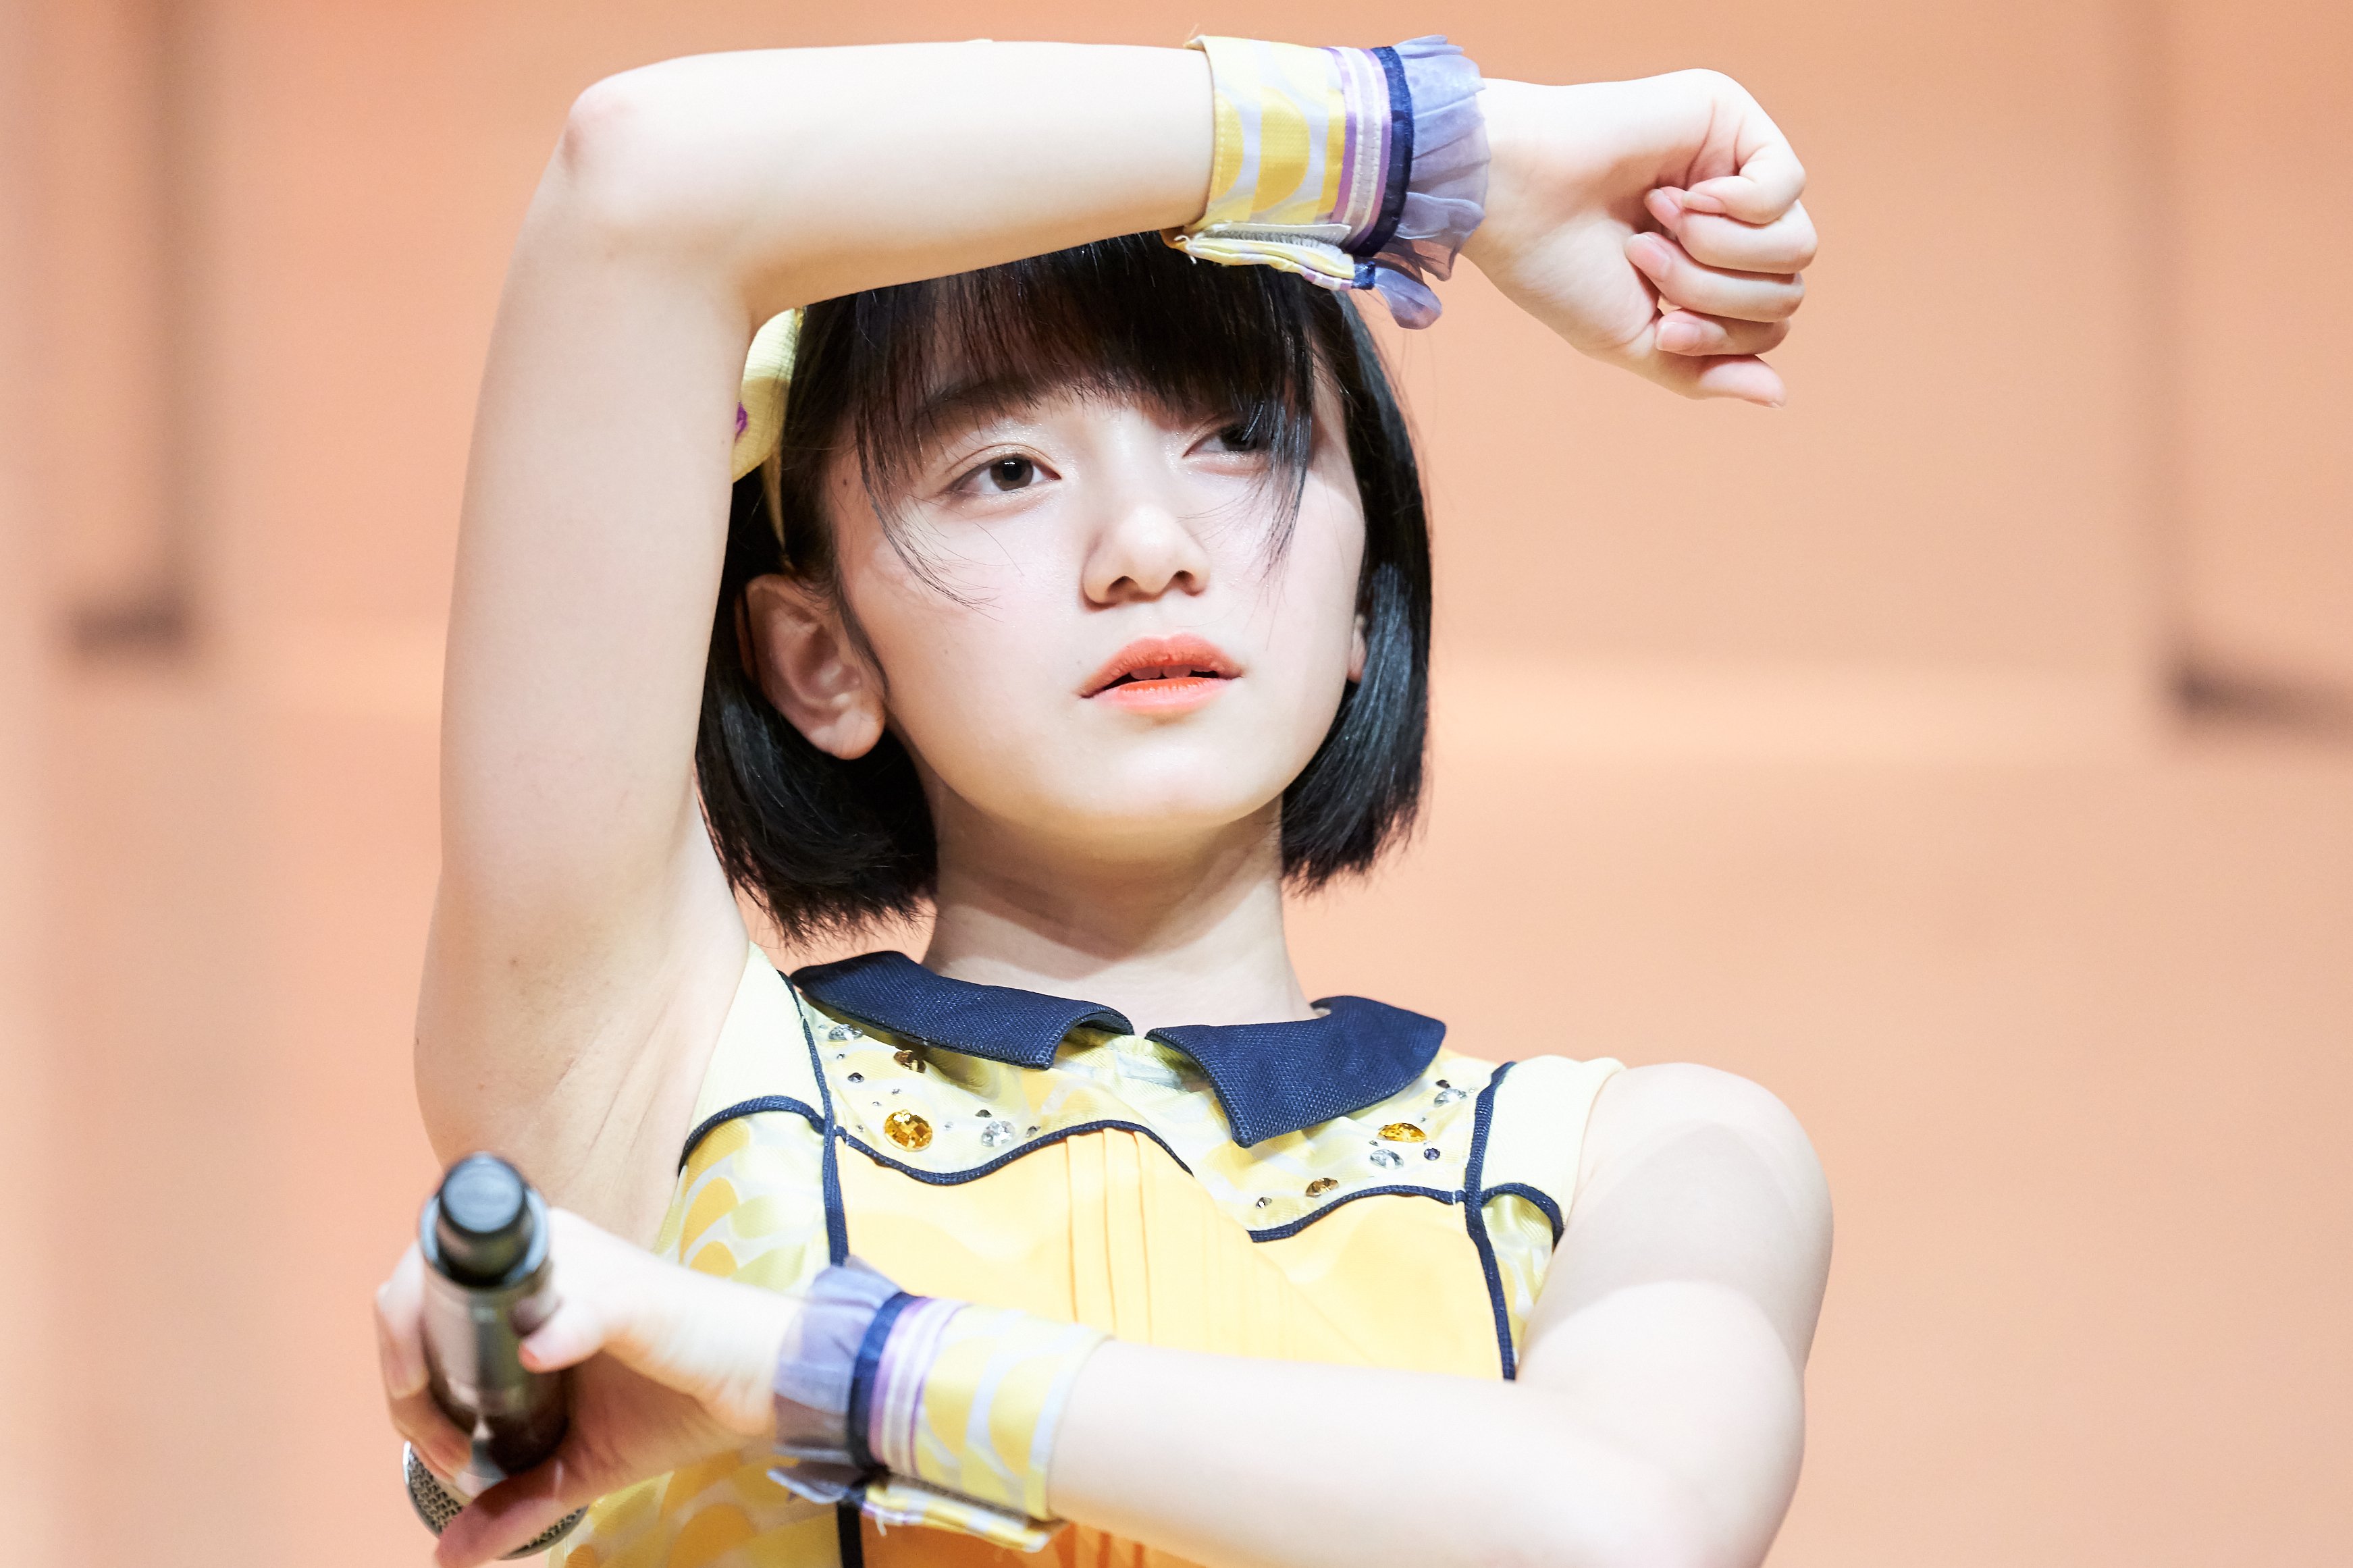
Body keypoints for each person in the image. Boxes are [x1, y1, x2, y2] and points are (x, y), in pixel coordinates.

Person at [373, 31, 1829, 1568]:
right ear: (819, 657)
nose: (1147, 545)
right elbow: (644, 182)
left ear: (1363, 598)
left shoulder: (1633, 1157)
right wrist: (1429, 149)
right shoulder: (651, 1087)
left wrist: (824, 1369)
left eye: (1237, 438)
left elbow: (1625, 1531)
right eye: (1003, 469)